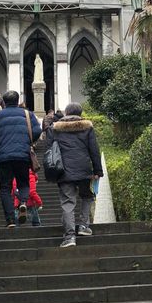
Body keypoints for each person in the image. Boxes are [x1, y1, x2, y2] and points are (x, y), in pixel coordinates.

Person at [46, 102, 103, 248]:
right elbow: (94, 150)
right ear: (80, 113)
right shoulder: (87, 127)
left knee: (67, 203)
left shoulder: (55, 128)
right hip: (84, 169)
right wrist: (97, 171)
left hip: (63, 170)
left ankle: (70, 236)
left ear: (66, 112)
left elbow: (50, 148)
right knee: (87, 196)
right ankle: (84, 225)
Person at [0, 90, 41, 226]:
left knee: (5, 188)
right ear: (17, 101)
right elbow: (37, 130)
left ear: (4, 102)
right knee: (24, 183)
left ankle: (10, 220)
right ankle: (23, 202)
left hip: (4, 157)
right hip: (22, 156)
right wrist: (27, 142)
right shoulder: (28, 114)